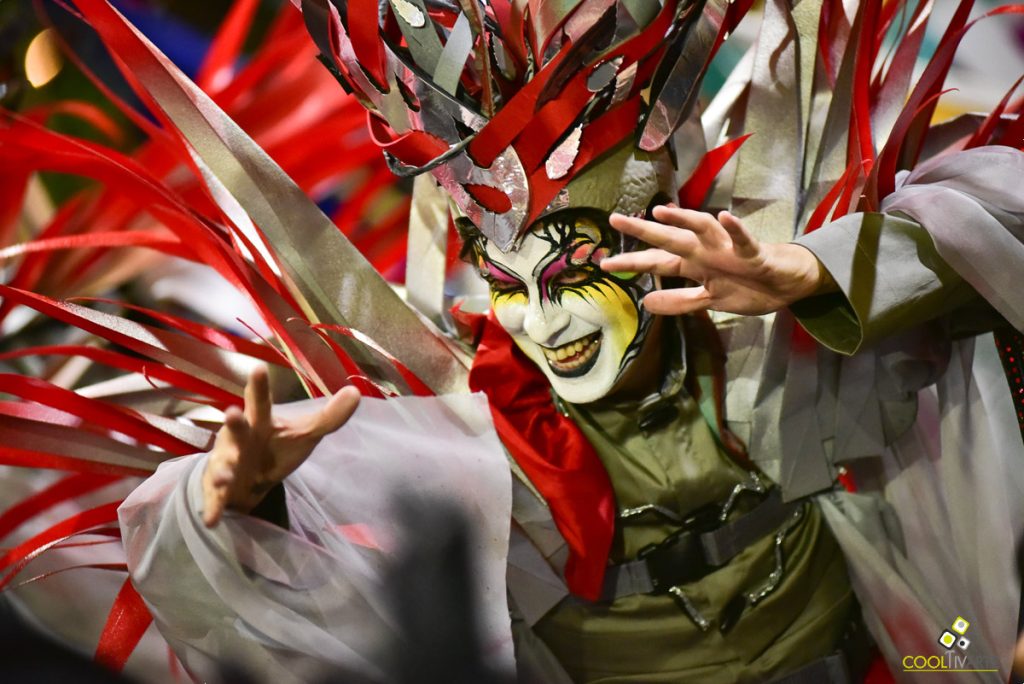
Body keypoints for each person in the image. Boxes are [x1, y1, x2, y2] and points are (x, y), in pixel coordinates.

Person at [116, 1, 1024, 682]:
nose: (546, 323)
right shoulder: (466, 445)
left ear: (649, 247)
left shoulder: (764, 349)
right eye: (511, 286)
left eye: (577, 274)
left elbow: (995, 212)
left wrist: (819, 276)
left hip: (917, 652)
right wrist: (235, 502)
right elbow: (237, 574)